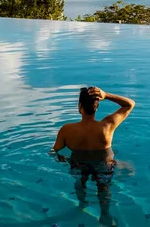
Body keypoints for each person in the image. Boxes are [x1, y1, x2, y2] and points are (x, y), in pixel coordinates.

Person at [53, 87, 135, 226]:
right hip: (104, 165)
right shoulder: (107, 125)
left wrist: (64, 159)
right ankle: (105, 214)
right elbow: (129, 104)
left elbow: (56, 151)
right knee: (105, 187)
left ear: (79, 106)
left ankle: (81, 205)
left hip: (78, 164)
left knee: (79, 184)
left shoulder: (67, 129)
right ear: (97, 107)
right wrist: (107, 95)